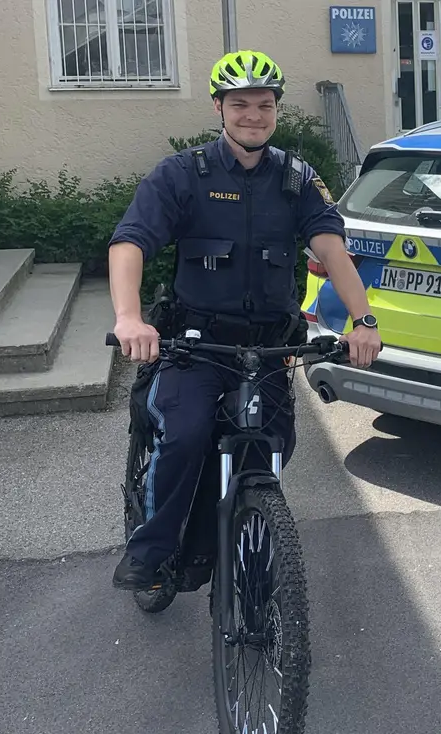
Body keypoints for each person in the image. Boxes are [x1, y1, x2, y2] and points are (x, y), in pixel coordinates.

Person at [107, 50, 382, 591]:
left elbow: (332, 250)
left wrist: (364, 321)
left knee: (270, 445)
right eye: (240, 105)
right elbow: (130, 242)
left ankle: (228, 540)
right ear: (219, 108)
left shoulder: (297, 180)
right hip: (196, 345)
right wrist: (128, 317)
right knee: (185, 434)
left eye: (264, 105)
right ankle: (151, 551)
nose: (253, 115)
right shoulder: (183, 174)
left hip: (268, 349)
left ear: (276, 109)